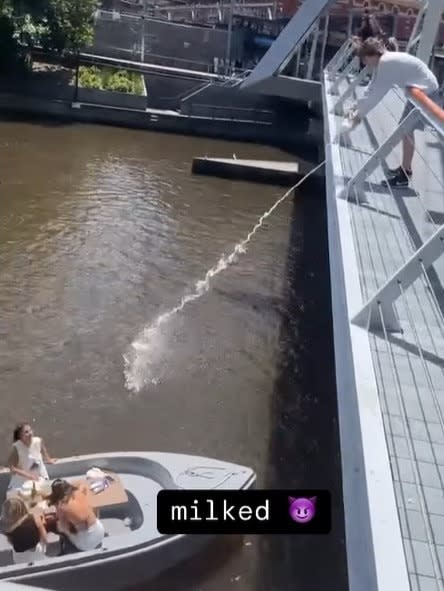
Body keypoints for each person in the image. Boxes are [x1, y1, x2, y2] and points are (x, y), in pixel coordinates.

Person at [350, 37, 439, 187]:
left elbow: (375, 95)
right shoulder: (386, 60)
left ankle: (404, 175)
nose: (365, 64)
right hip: (422, 91)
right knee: (405, 130)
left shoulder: (386, 64)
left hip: (425, 94)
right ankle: (405, 169)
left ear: (370, 56)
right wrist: (357, 107)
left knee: (405, 130)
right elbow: (372, 88)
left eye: (364, 60)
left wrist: (356, 116)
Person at [48, 479, 105, 552]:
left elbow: (63, 526)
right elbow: (82, 485)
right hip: (100, 531)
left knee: (60, 526)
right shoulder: (79, 491)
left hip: (86, 544)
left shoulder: (62, 507)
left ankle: (66, 547)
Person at [8, 423, 56, 491]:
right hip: (23, 477)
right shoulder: (16, 448)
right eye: (26, 432)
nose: (30, 433)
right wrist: (29, 476)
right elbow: (12, 468)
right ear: (20, 436)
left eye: (30, 430)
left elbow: (44, 452)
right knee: (23, 492)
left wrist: (49, 460)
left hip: (38, 475)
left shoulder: (38, 441)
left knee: (42, 490)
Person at [0, 498, 48, 564]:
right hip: (38, 557)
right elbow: (45, 539)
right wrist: (41, 525)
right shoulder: (33, 521)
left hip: (19, 559)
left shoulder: (7, 532)